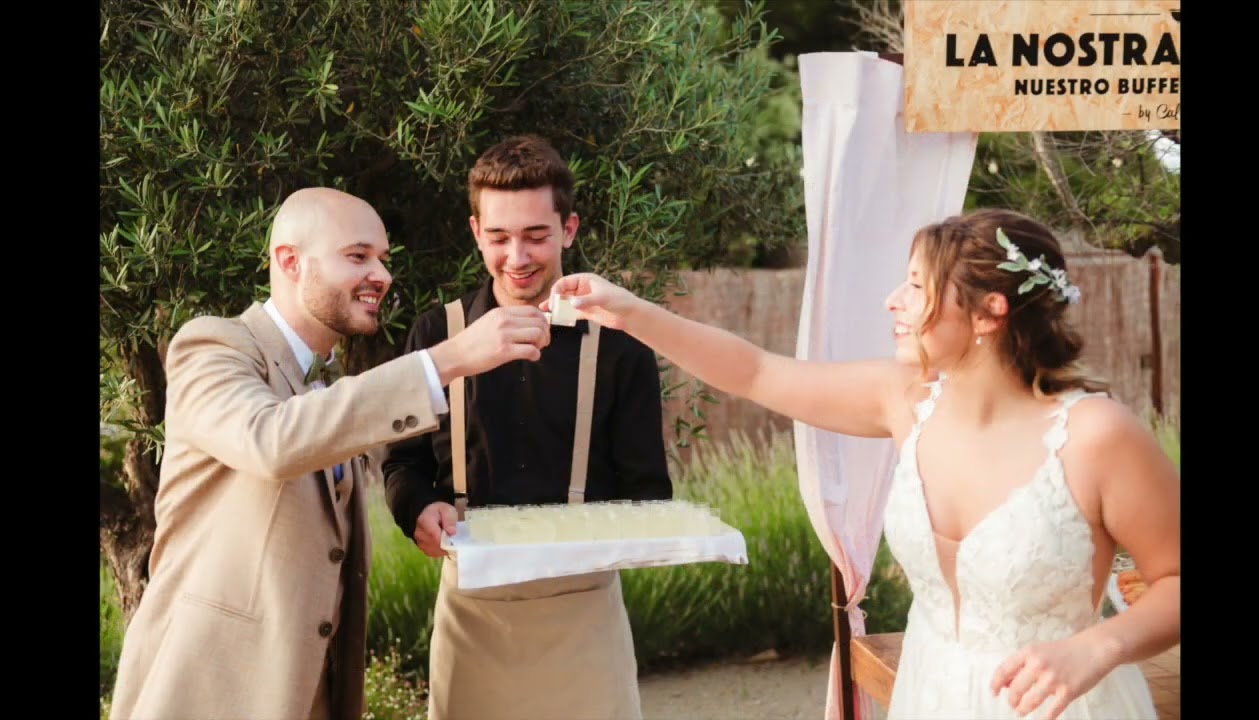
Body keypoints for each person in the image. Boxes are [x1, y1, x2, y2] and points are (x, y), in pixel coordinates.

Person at [545, 208, 1179, 720]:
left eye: (917, 287)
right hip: (930, 695)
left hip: (1061, 707)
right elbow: (756, 371)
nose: (892, 301)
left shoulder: (1095, 436)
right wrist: (629, 311)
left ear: (990, 312)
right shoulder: (906, 401)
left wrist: (1096, 648)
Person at [108, 187, 551, 720]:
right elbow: (269, 440)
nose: (383, 276)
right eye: (357, 256)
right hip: (211, 693)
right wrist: (445, 361)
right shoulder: (213, 347)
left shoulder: (334, 382)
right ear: (290, 262)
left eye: (383, 260)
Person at [381, 135, 672, 720]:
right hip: (471, 615)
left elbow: (649, 493)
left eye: (536, 236)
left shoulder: (621, 346)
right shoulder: (437, 333)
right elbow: (401, 463)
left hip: (583, 619)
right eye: (499, 237)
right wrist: (415, 507)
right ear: (475, 232)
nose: (517, 256)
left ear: (568, 230)